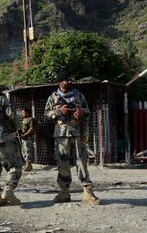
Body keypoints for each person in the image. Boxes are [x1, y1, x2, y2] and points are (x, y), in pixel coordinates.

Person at [44, 71, 101, 205]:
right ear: (60, 82)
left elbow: (88, 111)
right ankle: (64, 192)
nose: (69, 82)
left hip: (77, 132)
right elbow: (46, 115)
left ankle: (87, 192)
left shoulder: (78, 94)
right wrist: (59, 112)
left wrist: (81, 112)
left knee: (82, 161)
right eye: (66, 80)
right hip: (61, 134)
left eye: (70, 79)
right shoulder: (53, 97)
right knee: (62, 163)